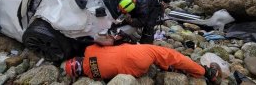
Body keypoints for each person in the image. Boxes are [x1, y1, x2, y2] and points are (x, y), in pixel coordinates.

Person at [62, 43, 222, 84]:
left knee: (159, 60)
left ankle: (170, 68)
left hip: (137, 71)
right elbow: (107, 41)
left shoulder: (93, 75)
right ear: (78, 59)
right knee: (170, 55)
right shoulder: (90, 50)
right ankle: (208, 73)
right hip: (137, 55)